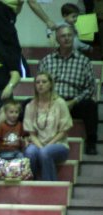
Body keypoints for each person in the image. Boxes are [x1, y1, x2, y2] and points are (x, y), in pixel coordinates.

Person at [39, 24, 98, 154]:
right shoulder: (47, 61)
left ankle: (91, 144)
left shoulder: (84, 61)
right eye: (63, 36)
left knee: (91, 105)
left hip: (73, 104)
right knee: (27, 104)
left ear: (74, 37)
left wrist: (74, 101)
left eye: (69, 35)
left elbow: (90, 88)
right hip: (51, 102)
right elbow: (40, 84)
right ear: (57, 39)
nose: (67, 38)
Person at [23, 72, 72, 180]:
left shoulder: (60, 103)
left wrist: (47, 146)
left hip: (59, 144)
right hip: (37, 143)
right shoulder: (30, 105)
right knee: (30, 152)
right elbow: (31, 133)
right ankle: (32, 184)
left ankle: (50, 186)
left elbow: (64, 131)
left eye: (44, 82)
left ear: (50, 84)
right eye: (37, 82)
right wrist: (41, 147)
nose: (40, 84)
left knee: (45, 152)